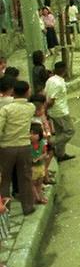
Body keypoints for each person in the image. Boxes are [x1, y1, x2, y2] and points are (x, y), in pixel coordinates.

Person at [0, 80, 36, 215]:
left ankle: (5, 208)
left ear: (13, 92)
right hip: (24, 146)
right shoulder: (30, 107)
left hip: (7, 148)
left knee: (5, 179)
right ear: (27, 92)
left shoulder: (6, 109)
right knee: (25, 178)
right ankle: (28, 207)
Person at [44, 62, 76, 162]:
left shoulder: (51, 79)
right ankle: (51, 142)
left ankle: (60, 154)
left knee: (60, 132)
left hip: (54, 111)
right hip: (60, 111)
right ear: (64, 70)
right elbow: (51, 100)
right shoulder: (58, 83)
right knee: (70, 131)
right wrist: (45, 109)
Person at [30, 124, 47, 205]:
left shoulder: (41, 143)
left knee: (39, 182)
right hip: (32, 168)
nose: (32, 136)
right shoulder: (28, 145)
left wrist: (40, 157)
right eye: (30, 133)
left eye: (34, 134)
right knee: (32, 183)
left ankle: (39, 196)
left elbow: (45, 153)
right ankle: (37, 198)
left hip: (40, 166)